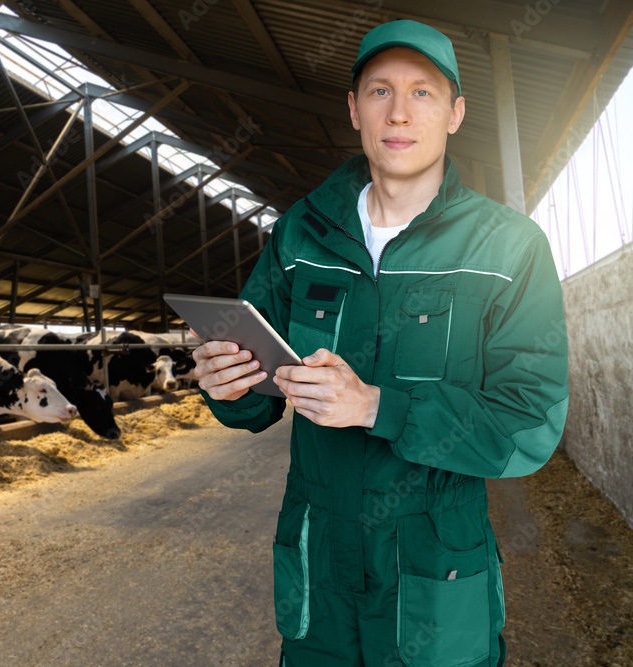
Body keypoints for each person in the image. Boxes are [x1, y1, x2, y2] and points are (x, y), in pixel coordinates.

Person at [191, 20, 568, 667]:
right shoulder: (299, 236)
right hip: (319, 554)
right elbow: (257, 401)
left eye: (423, 93)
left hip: (435, 556)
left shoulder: (509, 248)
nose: (399, 112)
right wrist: (227, 387)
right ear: (353, 109)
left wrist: (376, 406)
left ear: (455, 113)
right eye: (379, 91)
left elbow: (530, 422)